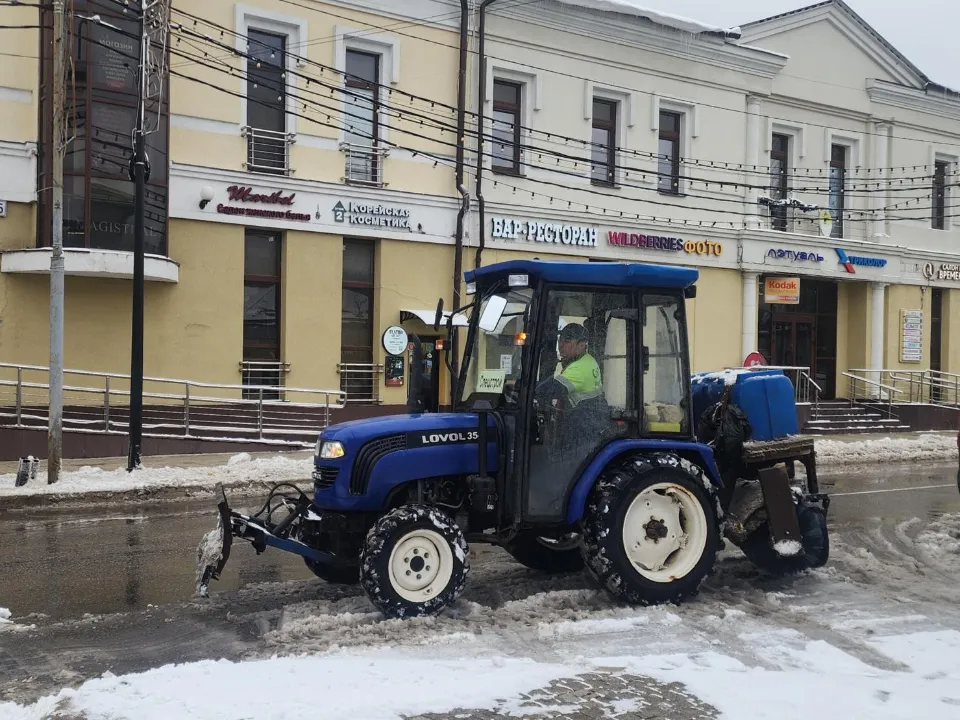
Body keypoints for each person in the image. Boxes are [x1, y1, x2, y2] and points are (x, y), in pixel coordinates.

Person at [551, 323, 603, 408]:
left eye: (567, 342)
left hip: (583, 418)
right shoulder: (588, 360)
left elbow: (551, 390)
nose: (561, 345)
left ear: (581, 345)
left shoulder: (579, 368)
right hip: (589, 415)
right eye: (560, 340)